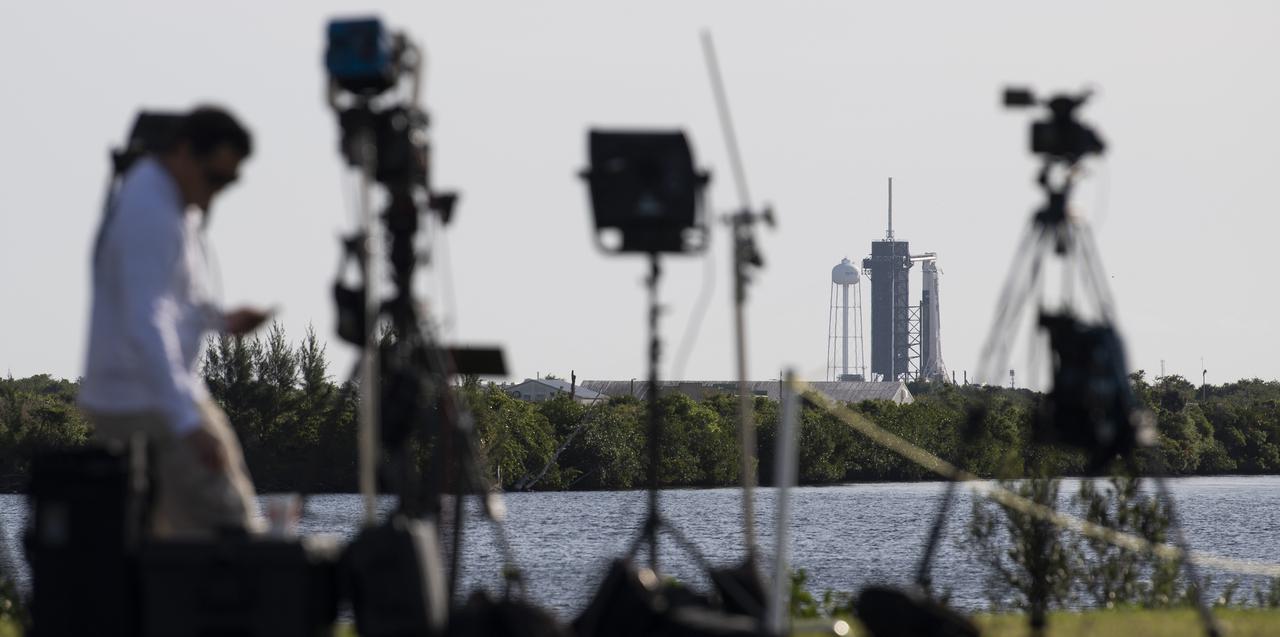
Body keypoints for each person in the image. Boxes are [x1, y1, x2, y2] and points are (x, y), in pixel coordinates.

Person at [79, 106, 271, 537]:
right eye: (214, 178)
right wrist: (186, 424)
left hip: (154, 390)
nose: (217, 192)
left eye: (229, 181)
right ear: (183, 152)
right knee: (229, 525)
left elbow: (174, 302)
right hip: (144, 396)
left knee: (171, 538)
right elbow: (146, 321)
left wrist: (220, 320)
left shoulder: (171, 203)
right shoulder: (152, 211)